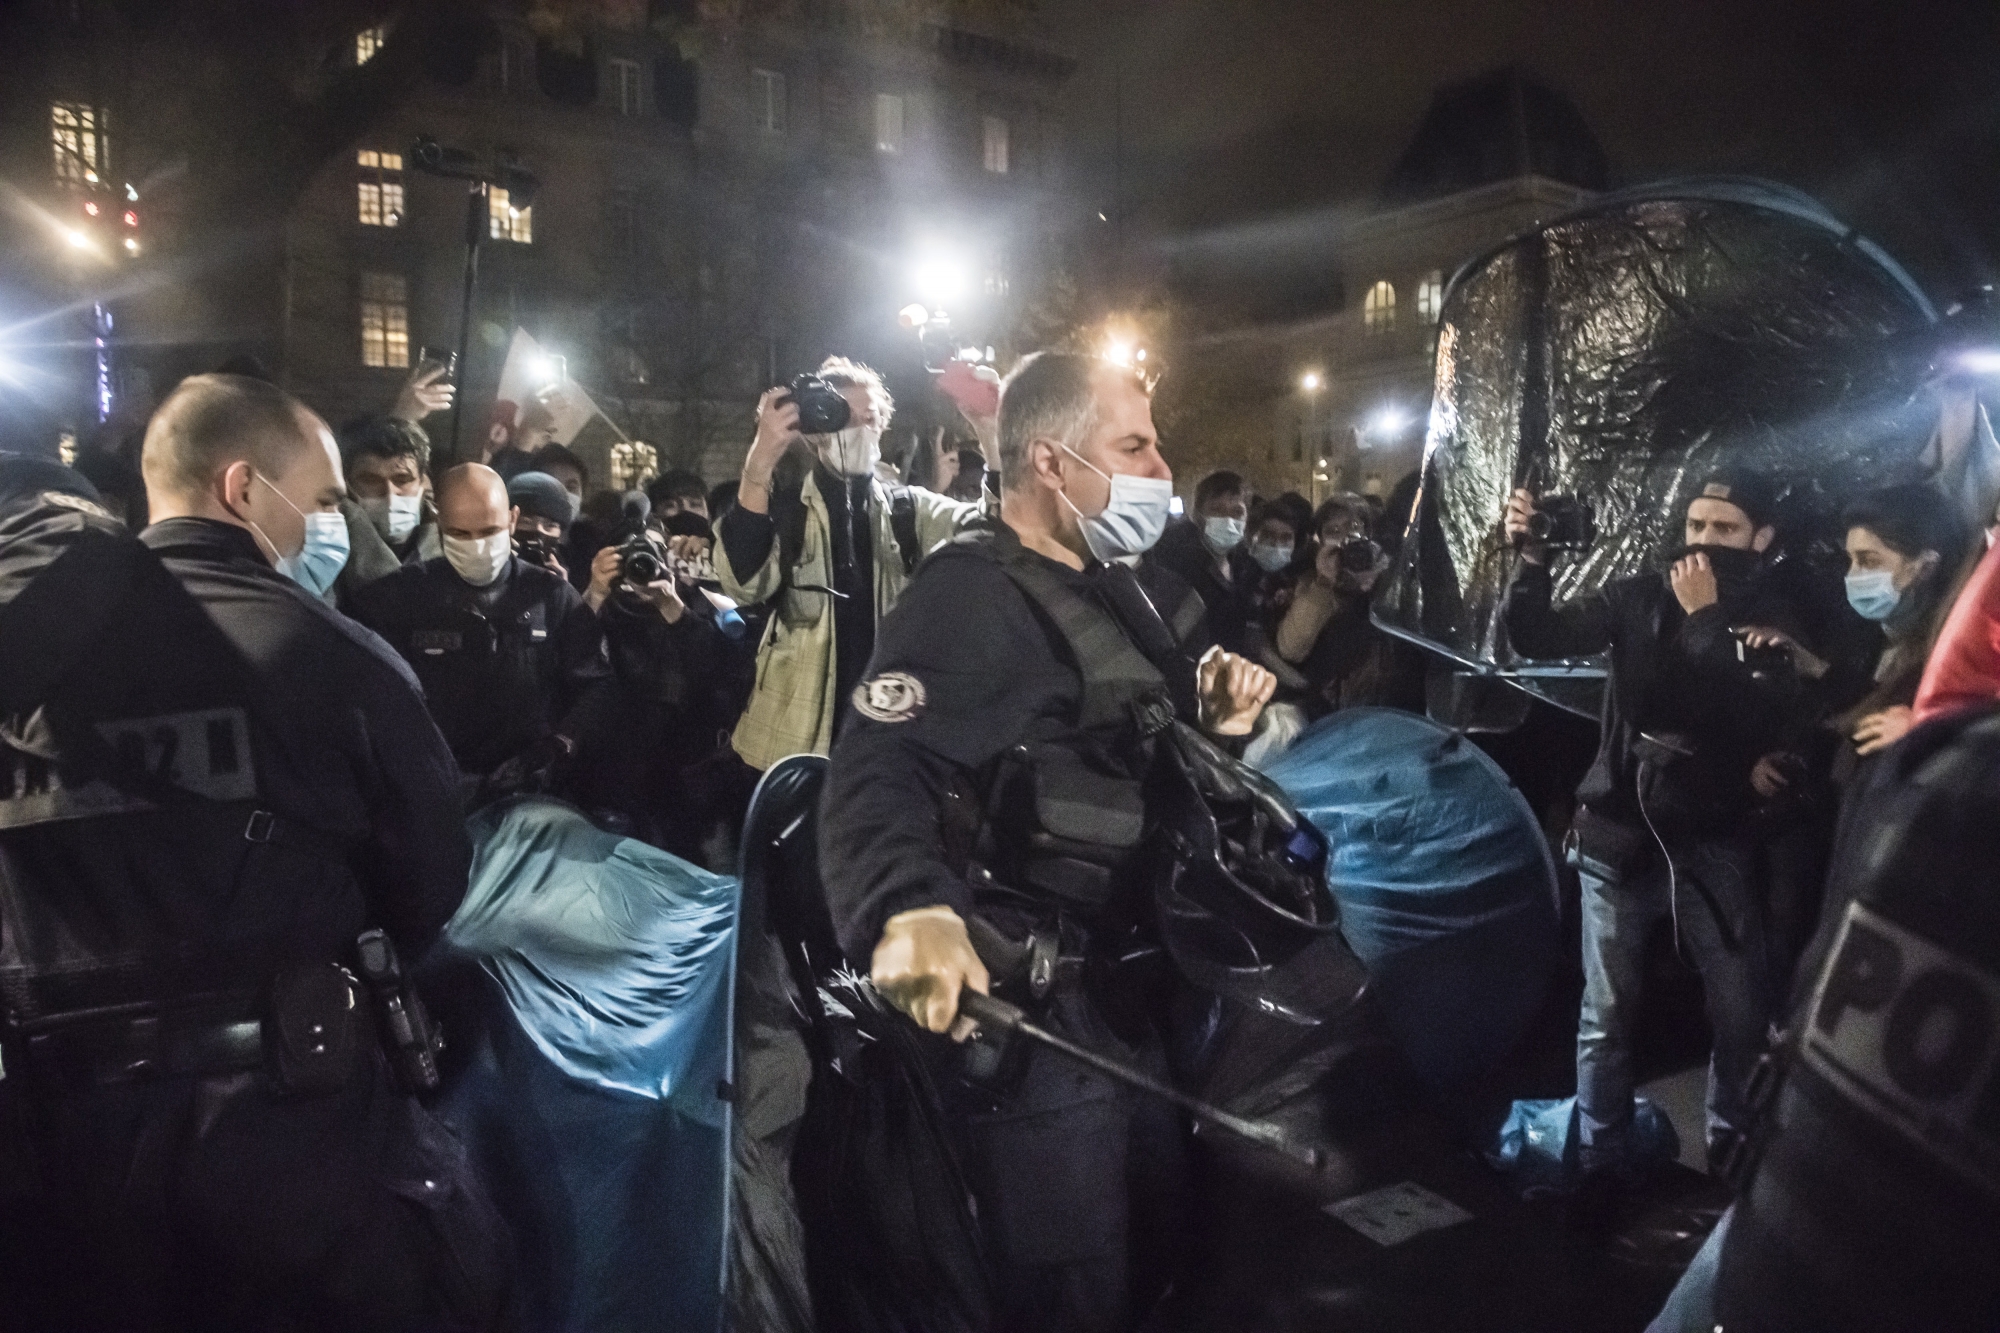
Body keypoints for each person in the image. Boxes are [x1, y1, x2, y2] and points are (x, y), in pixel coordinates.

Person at [0, 381, 510, 1328]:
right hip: (295, 1127)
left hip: (63, 1145)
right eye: (321, 500)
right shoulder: (333, 656)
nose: (336, 523)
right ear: (243, 489)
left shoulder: (22, 660)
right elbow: (429, 878)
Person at [820, 351, 1279, 1332]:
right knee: (1073, 1287)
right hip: (1043, 1019)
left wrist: (1212, 725)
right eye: (1132, 444)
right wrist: (906, 907)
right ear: (1051, 459)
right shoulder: (969, 597)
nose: (1160, 464)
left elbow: (1117, 748)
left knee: (1160, 1247)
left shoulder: (1110, 582)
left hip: (1129, 992)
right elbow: (876, 766)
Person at [1503, 469, 1822, 1185]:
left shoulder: (1773, 616)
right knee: (1606, 1016)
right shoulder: (1639, 594)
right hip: (1620, 832)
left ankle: (1730, 1160)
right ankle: (1602, 1161)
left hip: (1718, 842)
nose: (1705, 542)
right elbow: (1536, 634)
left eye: (1725, 529)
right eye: (1696, 527)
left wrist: (1710, 619)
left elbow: (1755, 711)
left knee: (1740, 1015)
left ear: (1761, 538)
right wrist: (1530, 561)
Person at [716, 356, 983, 772]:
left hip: (888, 739)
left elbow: (998, 526)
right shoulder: (785, 510)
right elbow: (742, 585)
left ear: (882, 426)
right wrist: (760, 459)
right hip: (793, 743)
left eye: (869, 417)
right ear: (812, 431)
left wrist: (991, 431)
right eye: (840, 416)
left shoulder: (910, 510)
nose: (857, 429)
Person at [351, 463, 608, 796]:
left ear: (512, 520)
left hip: (528, 785)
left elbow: (593, 685)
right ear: (440, 522)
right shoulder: (397, 598)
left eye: (490, 531)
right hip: (430, 787)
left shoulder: (552, 596)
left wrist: (557, 747)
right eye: (460, 534)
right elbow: (369, 700)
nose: (478, 546)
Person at [1275, 493, 1419, 716]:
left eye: (1353, 526)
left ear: (1369, 532)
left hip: (1387, 707)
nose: (1345, 538)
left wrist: (1381, 583)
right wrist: (1323, 584)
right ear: (1321, 541)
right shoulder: (1311, 582)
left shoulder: (1392, 572)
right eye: (1333, 531)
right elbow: (1291, 649)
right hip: (1331, 711)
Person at [1153, 469, 1256, 658]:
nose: (1228, 520)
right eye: (1217, 510)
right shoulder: (1176, 561)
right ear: (1198, 515)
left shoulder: (1244, 564)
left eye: (1237, 512)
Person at [507, 469, 579, 582]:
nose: (539, 530)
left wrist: (562, 592)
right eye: (526, 522)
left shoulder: (571, 570)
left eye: (550, 525)